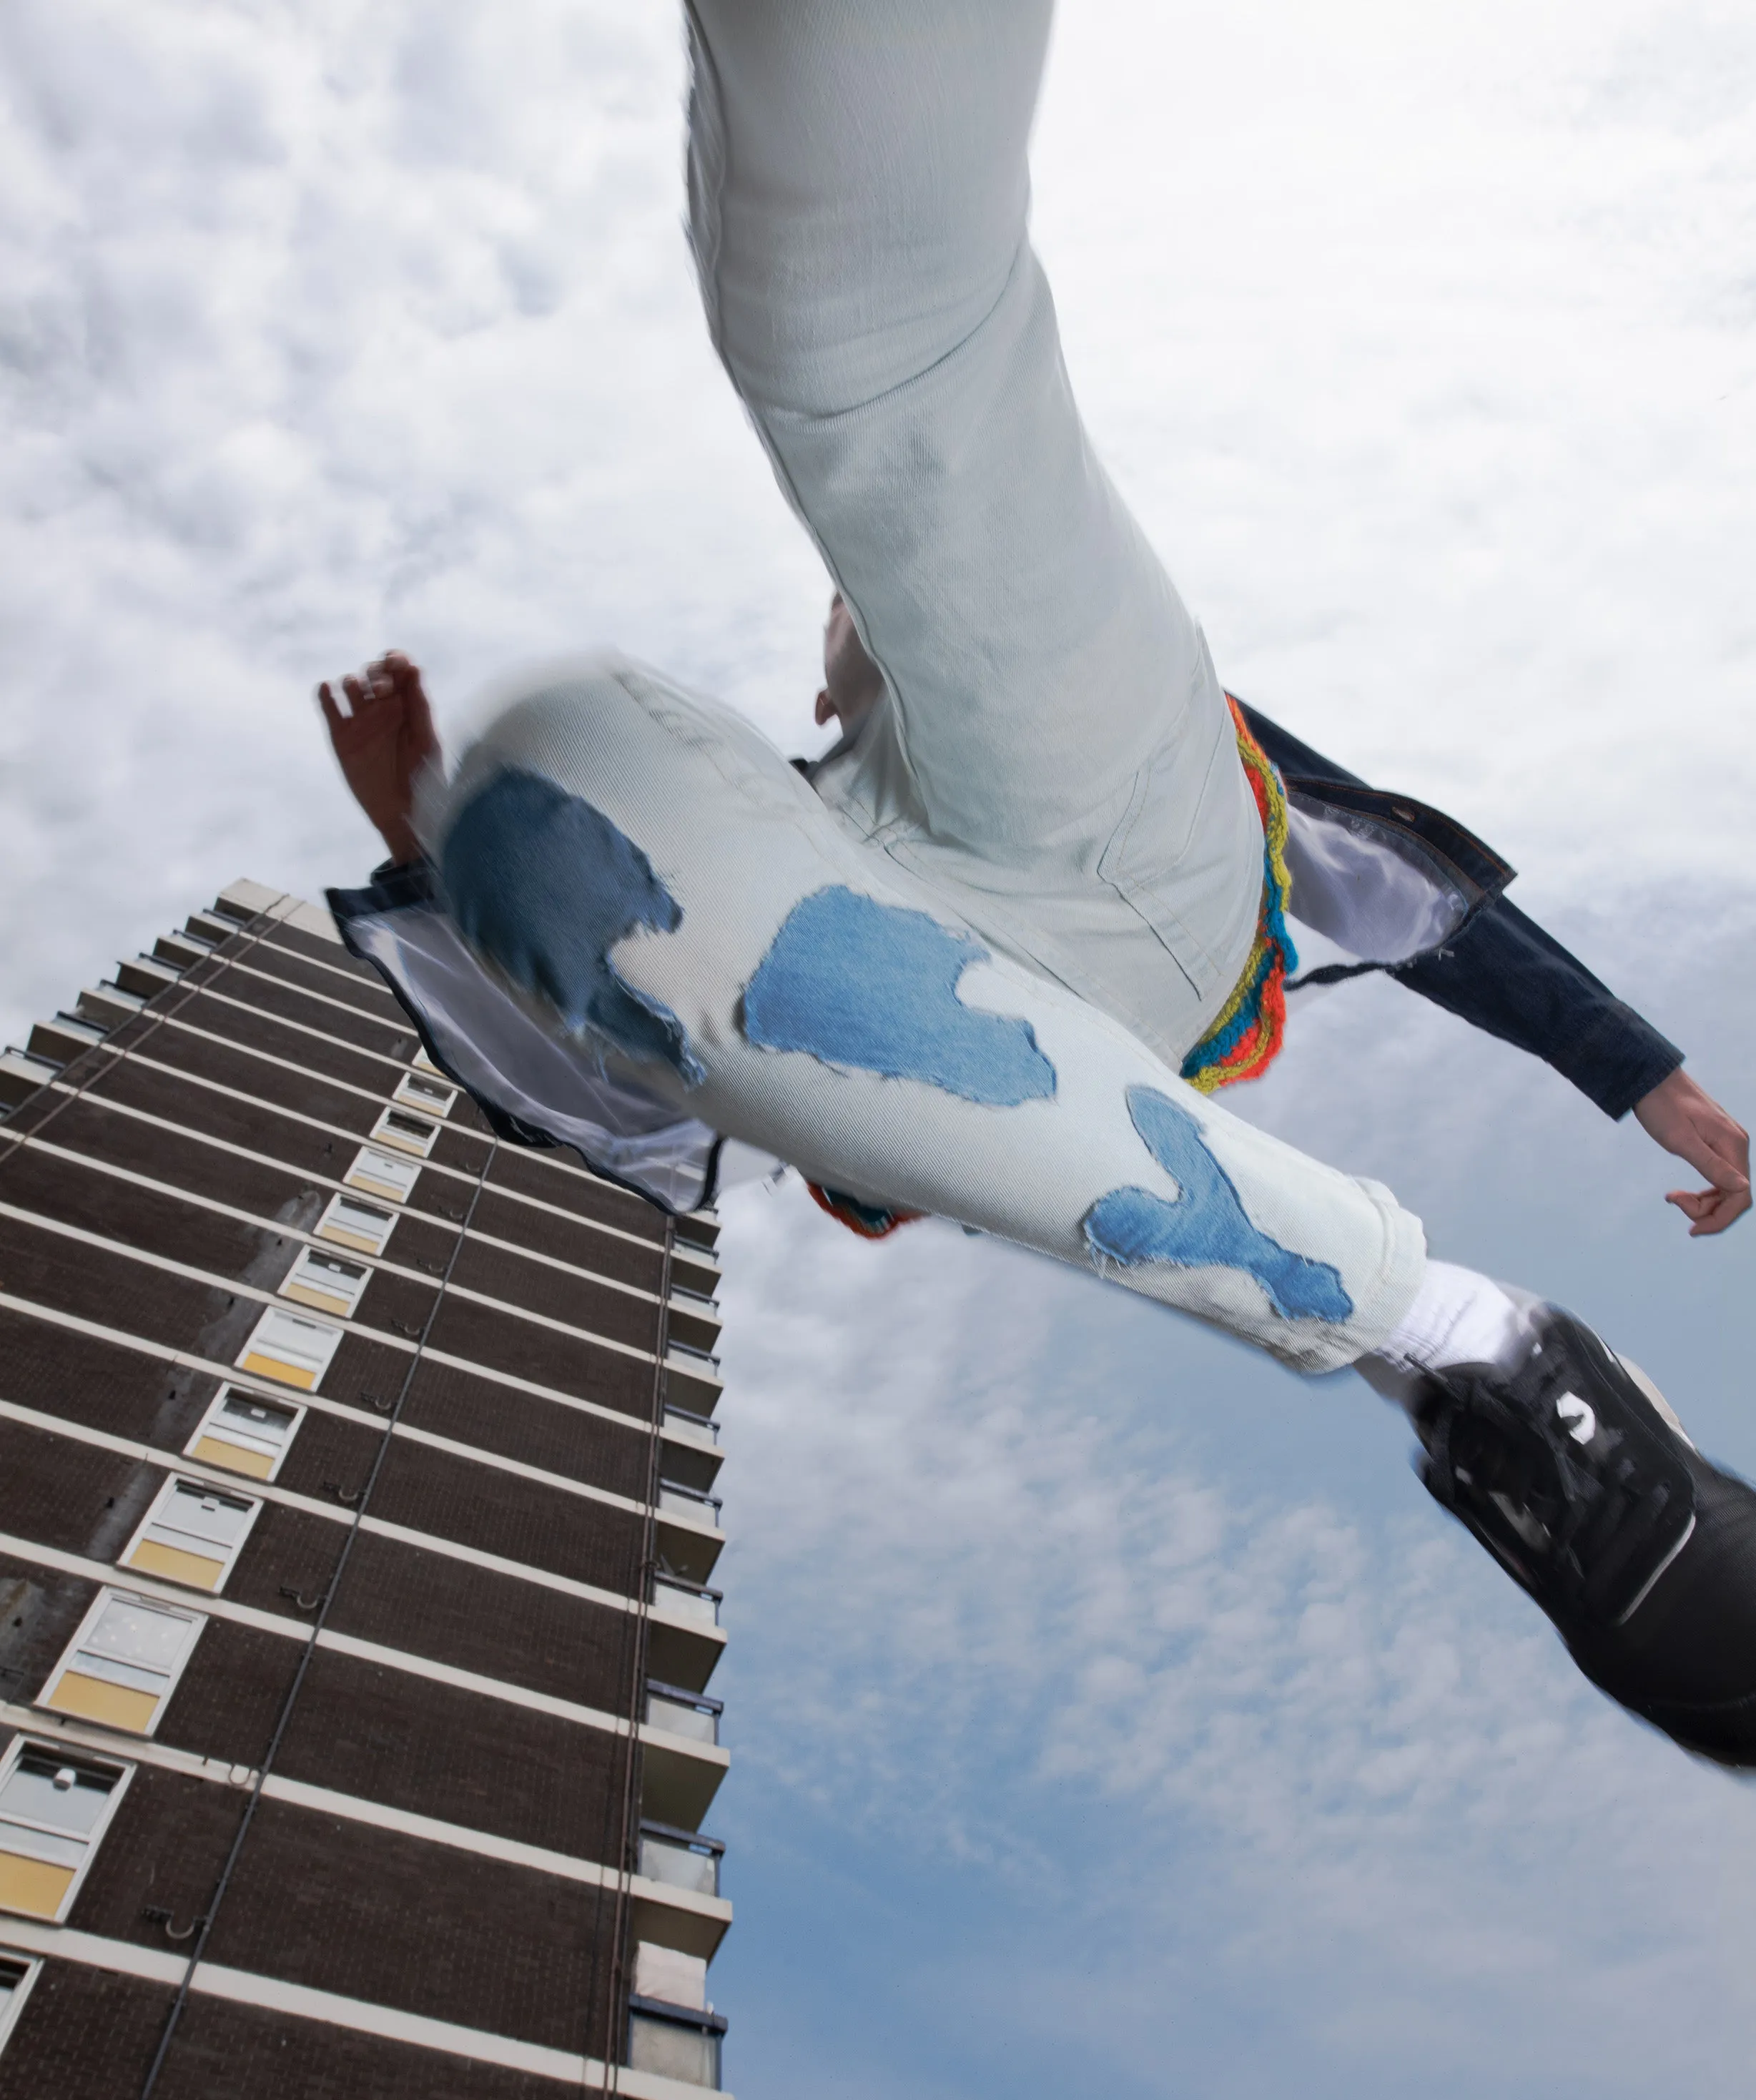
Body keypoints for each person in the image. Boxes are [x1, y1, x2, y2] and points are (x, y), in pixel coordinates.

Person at [318, 0, 1755, 1764]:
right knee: (545, 807)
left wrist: (1643, 1075)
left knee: (863, 342)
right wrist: (440, 842)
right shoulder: (817, 807)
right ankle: (1480, 1357)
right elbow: (659, 1088)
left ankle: (1462, 1343)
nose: (848, 631)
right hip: (967, 1003)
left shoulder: (1104, 707)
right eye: (843, 637)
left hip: (1141, 856)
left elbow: (1409, 897)